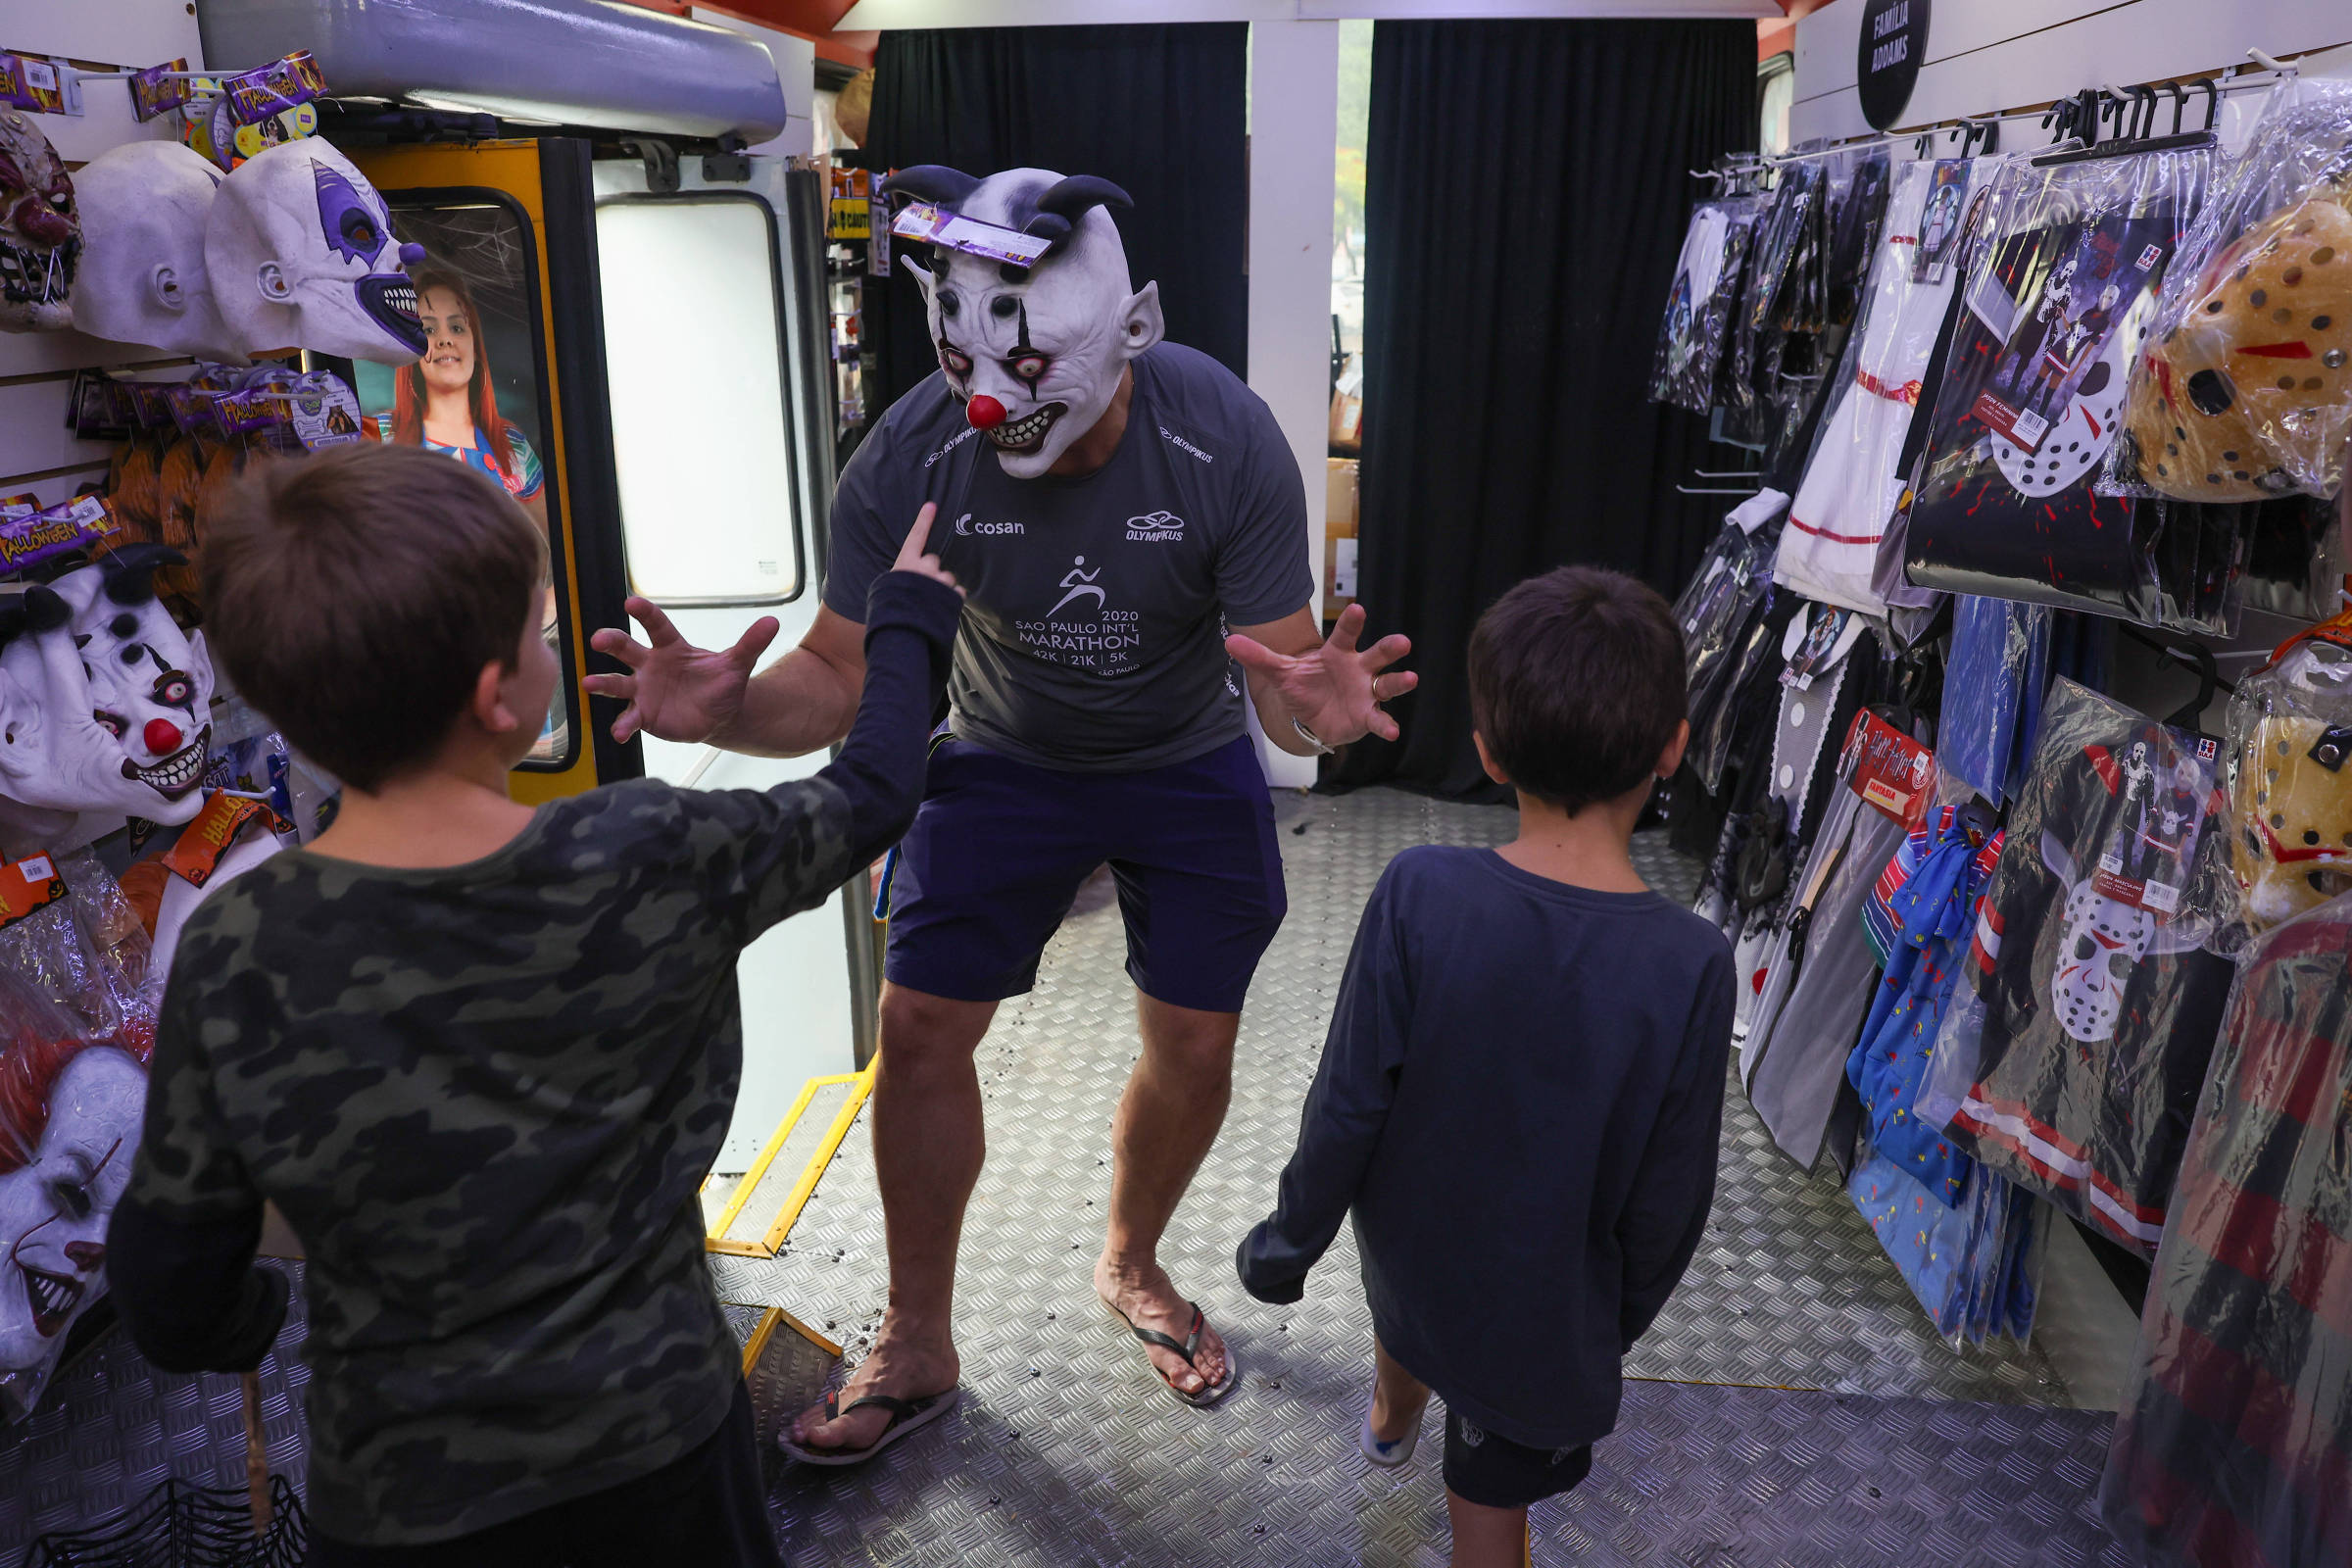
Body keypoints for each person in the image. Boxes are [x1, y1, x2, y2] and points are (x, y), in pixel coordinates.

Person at [588, 165, 1413, 1459]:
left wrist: (1320, 708)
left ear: (1126, 331)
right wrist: (727, 713)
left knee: (1194, 1047)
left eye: (1029, 367)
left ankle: (1130, 1262)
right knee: (915, 1029)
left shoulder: (1220, 436)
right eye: (969, 354)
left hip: (1185, 754)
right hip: (1003, 750)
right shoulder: (918, 453)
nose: (990, 396)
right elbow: (838, 680)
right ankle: (917, 1337)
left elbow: (1279, 701)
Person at [105, 442, 963, 1565]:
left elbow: (171, 1280)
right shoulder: (652, 850)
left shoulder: (239, 946)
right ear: (497, 695)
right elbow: (875, 788)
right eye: (539, 631)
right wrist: (905, 616)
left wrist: (252, 1323)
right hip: (661, 1452)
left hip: (402, 1497)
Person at [1236, 566, 1736, 1568]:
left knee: (1405, 1322)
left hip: (1410, 1259)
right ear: (1675, 748)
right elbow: (1670, 1196)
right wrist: (1604, 1325)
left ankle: (1388, 1415)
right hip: (1541, 1324)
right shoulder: (1692, 961)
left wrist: (1287, 1243)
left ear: (1487, 749)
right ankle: (1407, 1414)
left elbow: (1346, 1103)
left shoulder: (1421, 891)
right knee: (1487, 1529)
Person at [374, 265, 548, 529]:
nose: (445, 340)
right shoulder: (381, 435)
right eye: (429, 330)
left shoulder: (512, 445)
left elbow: (553, 543)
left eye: (456, 327)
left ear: (475, 346)